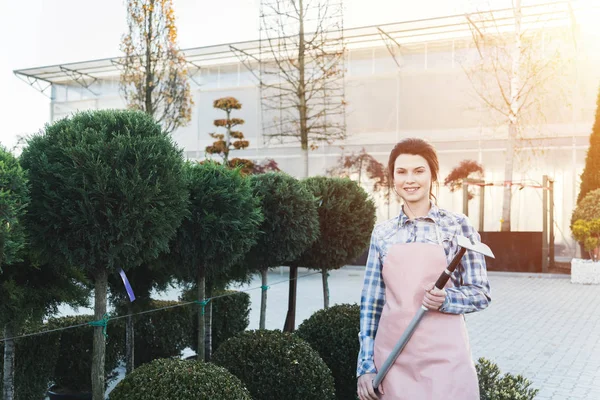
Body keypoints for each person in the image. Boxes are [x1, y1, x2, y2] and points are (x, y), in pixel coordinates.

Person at [356, 138, 491, 400]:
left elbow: (481, 293)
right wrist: (365, 367)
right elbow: (371, 304)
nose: (410, 180)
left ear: (432, 175)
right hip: (392, 356)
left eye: (419, 171)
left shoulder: (456, 226)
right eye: (401, 171)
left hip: (445, 358)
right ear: (392, 178)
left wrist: (447, 299)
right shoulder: (382, 233)